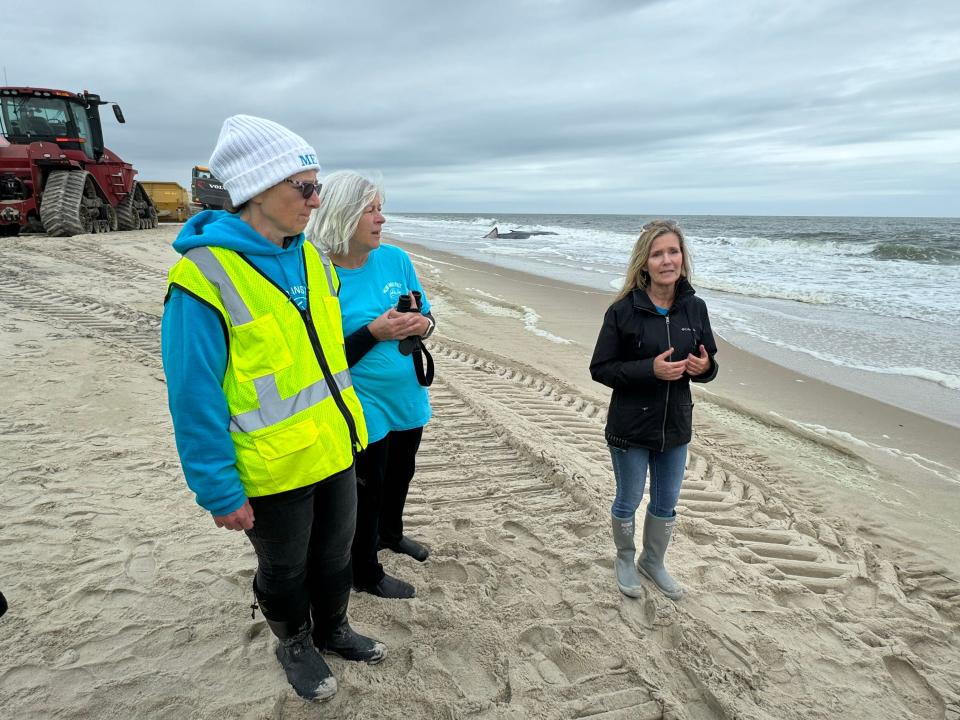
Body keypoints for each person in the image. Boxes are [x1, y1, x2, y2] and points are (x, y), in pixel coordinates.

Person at [161, 116, 384, 702]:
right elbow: (192, 394)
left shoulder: (311, 258)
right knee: (285, 569)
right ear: (257, 189)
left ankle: (334, 628)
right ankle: (295, 642)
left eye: (317, 186)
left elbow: (326, 356)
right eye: (303, 187)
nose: (316, 200)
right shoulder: (203, 275)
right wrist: (218, 489)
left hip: (334, 444)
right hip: (271, 463)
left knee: (336, 551)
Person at [307, 171, 434, 600]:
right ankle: (365, 570)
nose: (381, 219)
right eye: (371, 210)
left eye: (381, 209)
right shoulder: (318, 272)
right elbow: (319, 360)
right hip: (359, 399)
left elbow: (428, 316)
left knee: (403, 472)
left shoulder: (396, 259)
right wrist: (373, 333)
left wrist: (423, 323)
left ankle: (391, 534)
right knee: (369, 485)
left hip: (406, 392)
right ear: (342, 215)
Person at [589, 219, 718, 601]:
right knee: (628, 499)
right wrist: (651, 370)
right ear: (644, 263)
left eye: (673, 252)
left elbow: (710, 365)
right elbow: (601, 369)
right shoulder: (623, 312)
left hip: (675, 424)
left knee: (667, 502)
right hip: (630, 426)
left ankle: (653, 561)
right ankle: (626, 559)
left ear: (683, 258)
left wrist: (704, 369)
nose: (667, 260)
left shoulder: (695, 309)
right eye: (658, 253)